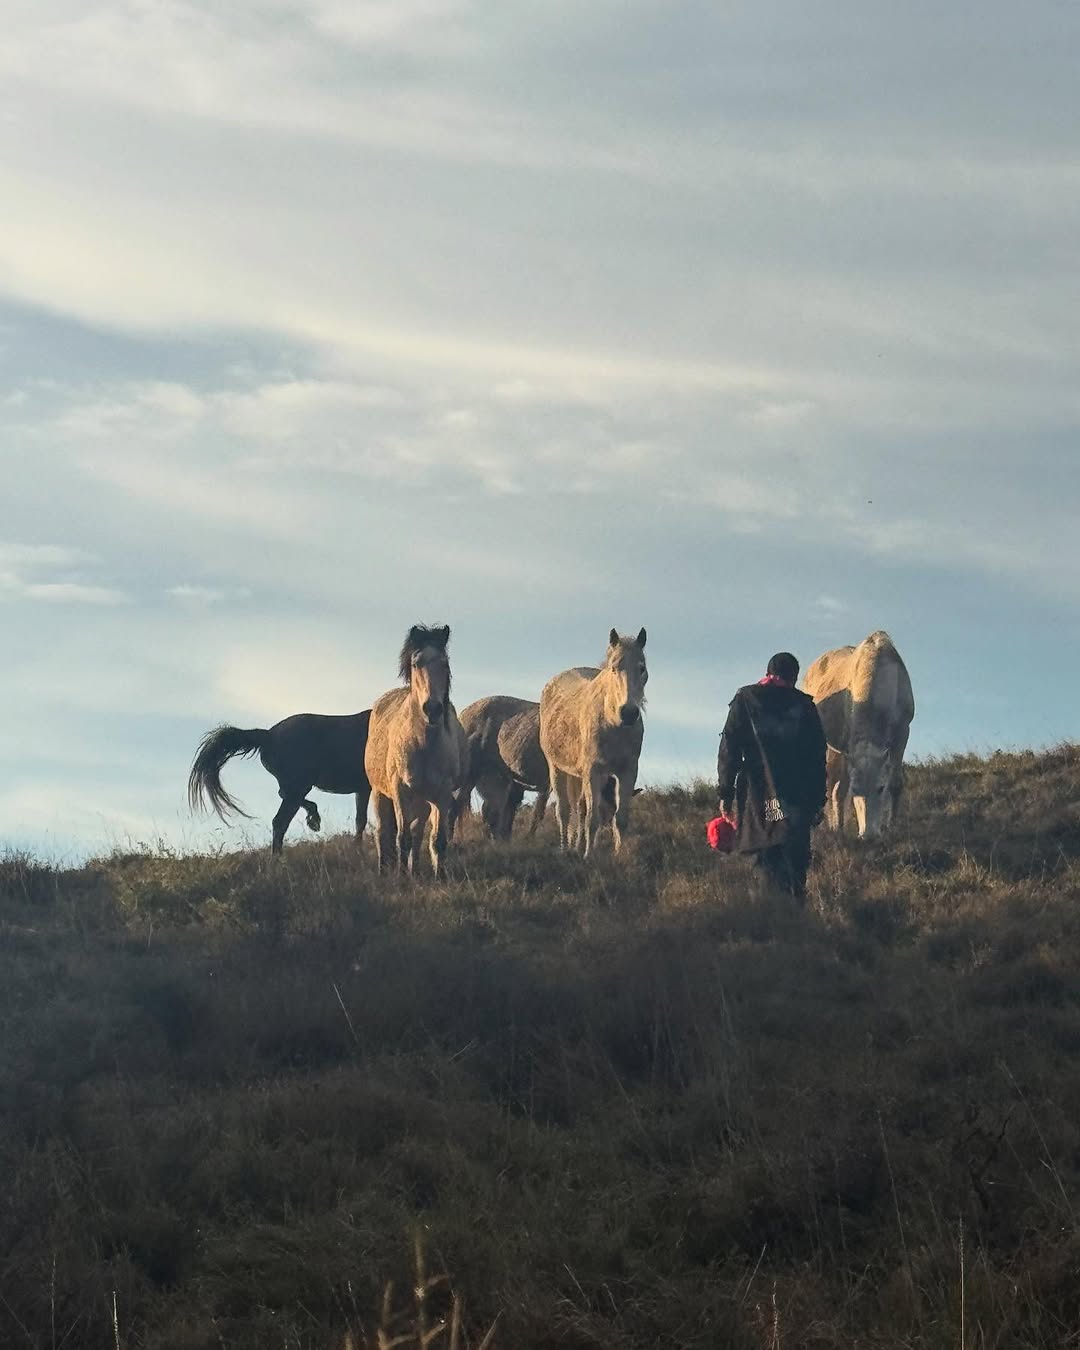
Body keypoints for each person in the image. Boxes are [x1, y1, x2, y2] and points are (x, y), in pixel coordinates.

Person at [716, 652, 827, 901]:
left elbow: (729, 748)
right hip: (798, 799)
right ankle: (794, 914)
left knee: (768, 855)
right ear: (794, 677)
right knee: (795, 858)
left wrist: (725, 792)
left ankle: (770, 916)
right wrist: (819, 800)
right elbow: (818, 755)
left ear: (767, 673)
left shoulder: (746, 699)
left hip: (763, 799)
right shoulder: (804, 705)